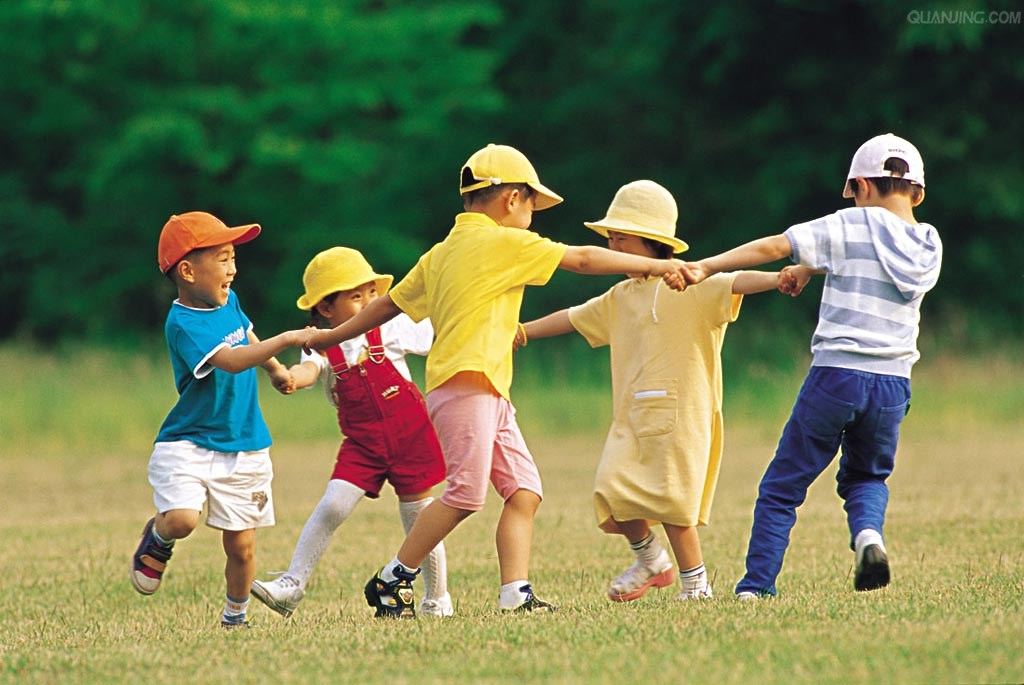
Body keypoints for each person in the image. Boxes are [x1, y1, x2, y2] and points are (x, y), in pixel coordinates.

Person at [301, 144, 687, 618]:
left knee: (524, 491)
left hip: (484, 388)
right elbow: (583, 260)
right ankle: (392, 577)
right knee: (465, 495)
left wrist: (334, 335)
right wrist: (656, 264)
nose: (531, 214)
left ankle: (515, 593)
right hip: (467, 385)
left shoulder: (440, 253)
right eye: (531, 204)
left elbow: (389, 305)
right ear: (511, 200)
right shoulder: (506, 242)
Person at [671, 133, 942, 597]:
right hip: (894, 384)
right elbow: (871, 257)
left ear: (860, 185)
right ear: (916, 192)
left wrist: (706, 267)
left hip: (837, 376)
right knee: (867, 476)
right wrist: (811, 269)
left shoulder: (849, 223)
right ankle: (869, 537)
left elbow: (776, 246)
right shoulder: (928, 244)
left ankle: (756, 587)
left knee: (781, 488)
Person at [519, 180, 782, 603]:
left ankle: (696, 585)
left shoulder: (693, 281)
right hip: (632, 417)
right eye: (610, 240)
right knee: (612, 491)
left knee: (675, 504)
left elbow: (736, 282)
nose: (613, 247)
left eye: (621, 238)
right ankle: (651, 560)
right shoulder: (620, 295)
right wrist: (521, 333)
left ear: (653, 241)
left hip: (683, 415)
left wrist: (779, 277)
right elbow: (570, 317)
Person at [251, 247, 452, 618]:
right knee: (333, 505)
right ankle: (292, 585)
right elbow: (307, 372)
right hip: (363, 444)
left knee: (420, 520)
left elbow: (438, 333)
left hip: (411, 436)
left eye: (371, 293)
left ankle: (437, 600)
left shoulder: (390, 325)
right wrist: (291, 379)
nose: (369, 302)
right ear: (326, 309)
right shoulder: (320, 345)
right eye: (356, 296)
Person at [130, 211, 309, 629]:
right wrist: (288, 338)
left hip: (244, 441)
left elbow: (246, 335)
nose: (234, 267)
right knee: (181, 520)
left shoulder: (228, 300)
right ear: (189, 271)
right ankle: (158, 537)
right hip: (188, 441)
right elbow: (229, 361)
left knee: (242, 547)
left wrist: (276, 369)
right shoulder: (183, 323)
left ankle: (235, 619)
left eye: (233, 257)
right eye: (223, 258)